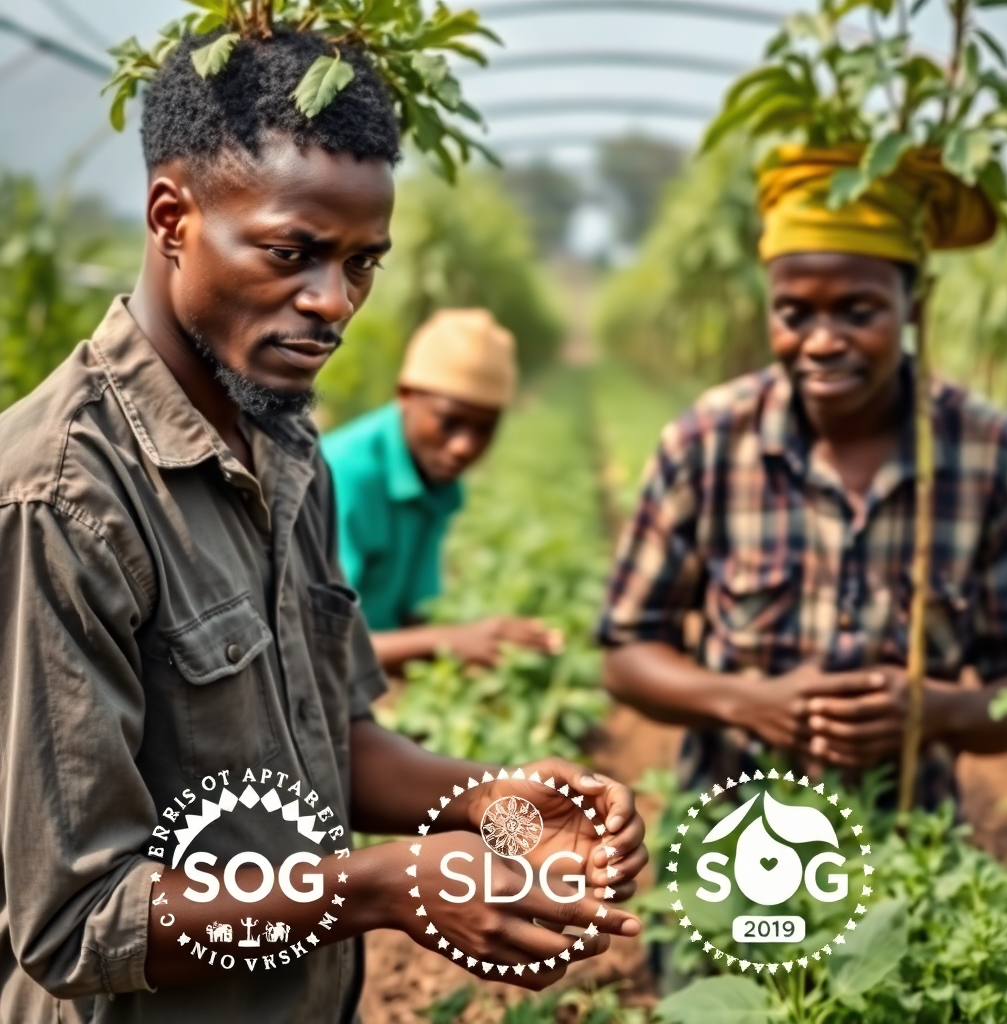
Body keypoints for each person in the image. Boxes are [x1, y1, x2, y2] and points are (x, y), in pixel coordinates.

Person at [0, 30, 646, 1024]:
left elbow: (331, 741)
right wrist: (383, 886)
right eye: (292, 252)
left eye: (361, 262)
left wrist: (495, 800)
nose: (333, 302)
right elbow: (78, 920)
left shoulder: (286, 447)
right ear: (172, 218)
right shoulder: (60, 497)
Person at [598, 145, 1007, 806]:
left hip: (908, 851)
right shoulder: (708, 441)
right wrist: (745, 702)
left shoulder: (992, 457)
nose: (822, 341)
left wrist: (937, 712)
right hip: (734, 838)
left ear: (915, 304)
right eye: (795, 314)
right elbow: (626, 655)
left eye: (859, 312)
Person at [321, 309, 562, 675]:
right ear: (405, 395)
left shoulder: (433, 476)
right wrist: (448, 640)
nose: (465, 446)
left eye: (484, 429)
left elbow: (413, 614)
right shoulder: (343, 475)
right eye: (449, 421)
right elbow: (320, 646)